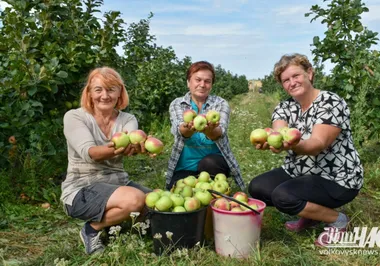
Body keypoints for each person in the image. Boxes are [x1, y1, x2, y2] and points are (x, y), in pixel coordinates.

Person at [248, 54, 363, 247]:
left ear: (309, 73)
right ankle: (311, 216)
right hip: (301, 172)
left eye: (296, 76)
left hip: (337, 178)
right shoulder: (285, 106)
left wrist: (292, 145)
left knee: (283, 196)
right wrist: (272, 142)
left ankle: (338, 219)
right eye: (286, 80)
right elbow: (279, 131)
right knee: (258, 187)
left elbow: (317, 143)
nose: (292, 83)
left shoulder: (331, 102)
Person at [61, 67, 152, 255]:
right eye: (98, 89)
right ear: (89, 93)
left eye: (111, 89)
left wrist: (138, 147)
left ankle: (117, 226)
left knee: (155, 201)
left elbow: (129, 145)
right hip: (82, 187)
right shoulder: (75, 117)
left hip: (117, 182)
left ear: (120, 93)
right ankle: (91, 229)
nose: (105, 95)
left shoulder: (128, 119)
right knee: (136, 200)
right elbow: (91, 153)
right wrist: (119, 147)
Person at [166, 61, 245, 191]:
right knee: (178, 193)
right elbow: (180, 130)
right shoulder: (177, 104)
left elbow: (220, 132)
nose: (202, 85)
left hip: (213, 164)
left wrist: (210, 130)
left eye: (207, 81)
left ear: (211, 85)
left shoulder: (220, 104)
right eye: (198, 80)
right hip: (185, 166)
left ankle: (217, 194)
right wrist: (189, 127)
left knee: (209, 164)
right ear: (188, 82)